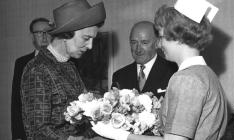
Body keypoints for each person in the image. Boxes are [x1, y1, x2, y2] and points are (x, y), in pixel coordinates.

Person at [91, 3, 228, 140]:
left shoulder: (186, 79)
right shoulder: (207, 74)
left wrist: (121, 135)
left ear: (178, 37)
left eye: (162, 37)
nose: (160, 44)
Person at [20, 0, 106, 139]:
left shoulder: (70, 66)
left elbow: (81, 117)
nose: (90, 46)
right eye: (86, 38)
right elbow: (37, 131)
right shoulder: (37, 69)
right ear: (66, 35)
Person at [111, 21, 177, 99]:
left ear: (157, 43)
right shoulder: (119, 76)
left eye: (144, 43)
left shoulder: (174, 72)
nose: (138, 49)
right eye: (134, 42)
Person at [11, 17, 52, 140]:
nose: (44, 36)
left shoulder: (67, 62)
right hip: (29, 132)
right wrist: (17, 135)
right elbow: (16, 100)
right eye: (39, 32)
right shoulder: (21, 63)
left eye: (47, 32)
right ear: (32, 36)